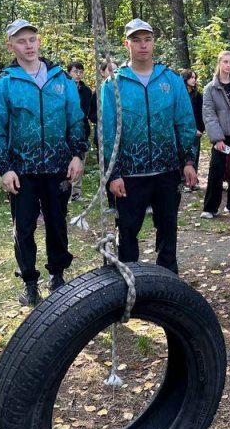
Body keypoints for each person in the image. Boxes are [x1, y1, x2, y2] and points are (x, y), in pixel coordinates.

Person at [0, 20, 87, 307]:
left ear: (38, 42)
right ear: (11, 46)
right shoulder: (4, 82)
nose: (28, 45)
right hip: (22, 171)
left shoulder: (61, 79)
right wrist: (4, 167)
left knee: (57, 223)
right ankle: (30, 282)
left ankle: (58, 275)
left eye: (32, 39)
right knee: (24, 227)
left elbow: (75, 119)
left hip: (57, 168)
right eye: (21, 41)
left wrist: (77, 154)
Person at [103, 19, 197, 274]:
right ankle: (129, 279)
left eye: (147, 39)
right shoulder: (114, 84)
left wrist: (188, 162)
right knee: (128, 230)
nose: (142, 45)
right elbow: (108, 131)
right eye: (136, 40)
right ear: (127, 44)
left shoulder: (171, 80)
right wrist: (113, 174)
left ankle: (167, 278)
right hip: (130, 174)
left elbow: (185, 122)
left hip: (167, 171)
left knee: (168, 226)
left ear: (154, 42)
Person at [200, 51, 230, 218]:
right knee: (217, 169)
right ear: (219, 63)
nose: (228, 65)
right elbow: (209, 115)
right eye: (225, 62)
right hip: (222, 135)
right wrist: (217, 138)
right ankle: (210, 208)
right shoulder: (210, 89)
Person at [67, 61, 93, 201]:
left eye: (80, 71)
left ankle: (76, 193)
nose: (78, 74)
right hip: (65, 132)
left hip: (82, 131)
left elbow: (89, 111)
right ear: (69, 72)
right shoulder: (63, 87)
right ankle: (65, 190)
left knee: (80, 162)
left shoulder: (87, 91)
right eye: (75, 71)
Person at [180, 69, 204, 192]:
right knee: (182, 155)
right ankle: (184, 181)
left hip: (195, 132)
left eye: (195, 77)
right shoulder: (179, 95)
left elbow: (202, 114)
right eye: (191, 77)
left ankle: (193, 181)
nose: (194, 80)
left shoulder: (198, 96)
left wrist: (200, 129)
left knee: (194, 155)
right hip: (181, 132)